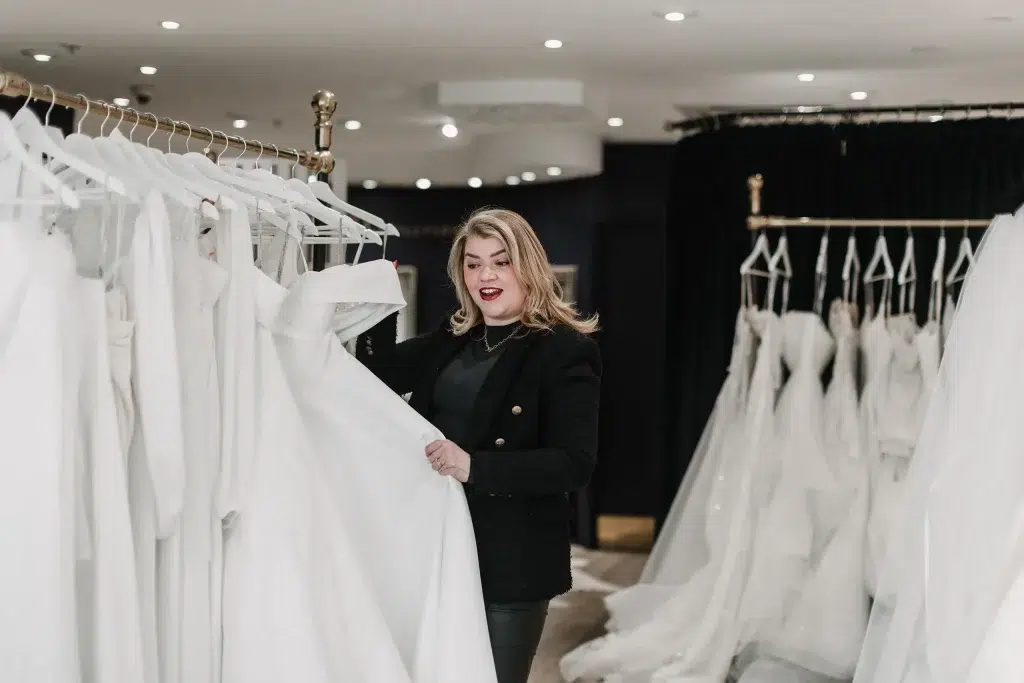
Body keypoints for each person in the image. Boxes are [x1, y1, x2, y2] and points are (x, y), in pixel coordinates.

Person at [362, 207, 602, 683]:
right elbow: (376, 373)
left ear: (527, 266)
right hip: (435, 544)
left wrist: (475, 466)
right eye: (473, 263)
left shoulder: (563, 349)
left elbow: (573, 464)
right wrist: (380, 299)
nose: (485, 275)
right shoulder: (454, 340)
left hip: (511, 557)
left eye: (500, 261)